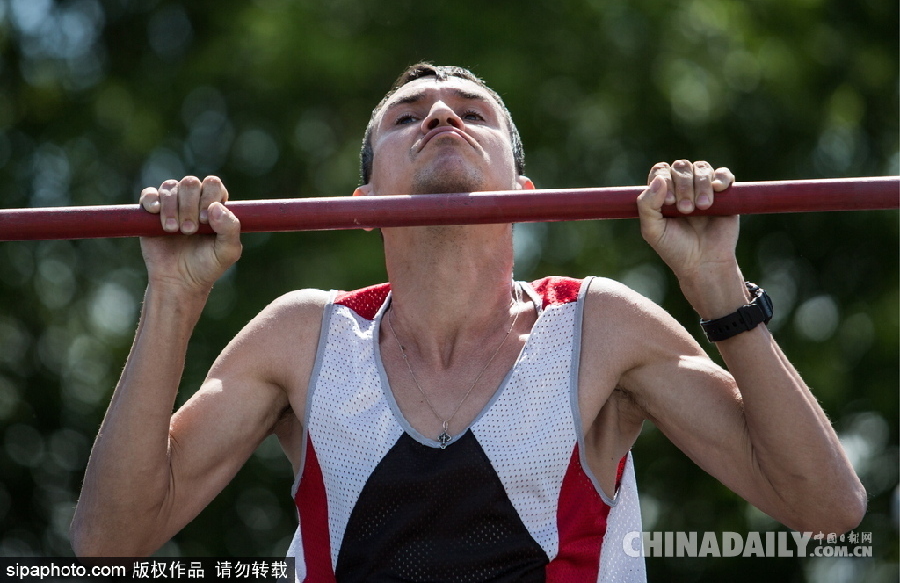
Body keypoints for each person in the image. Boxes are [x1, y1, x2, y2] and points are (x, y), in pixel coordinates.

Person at [70, 63, 865, 581]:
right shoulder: (302, 340)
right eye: (407, 115)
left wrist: (718, 284)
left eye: (471, 112)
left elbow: (827, 509)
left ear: (521, 188)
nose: (442, 114)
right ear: (361, 207)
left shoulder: (600, 330)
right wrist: (172, 298)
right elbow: (108, 542)